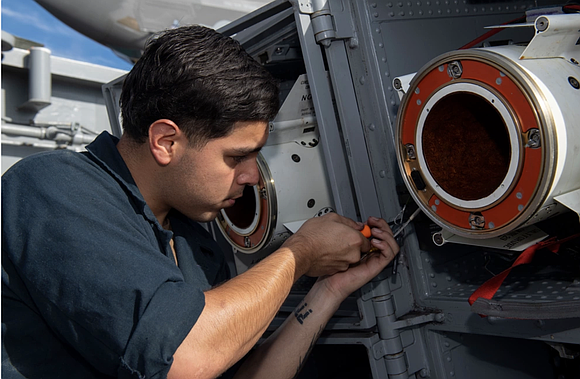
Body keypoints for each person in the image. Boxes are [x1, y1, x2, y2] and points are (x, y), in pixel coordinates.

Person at [1, 25, 399, 379]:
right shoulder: (53, 187)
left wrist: (328, 290)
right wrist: (300, 253)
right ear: (166, 142)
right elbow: (185, 358)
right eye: (236, 157)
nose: (251, 176)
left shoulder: (192, 238)